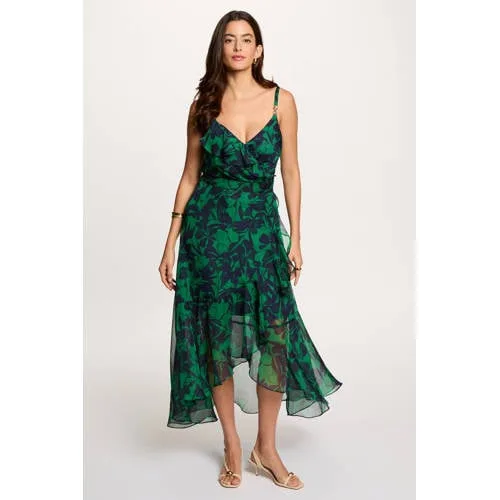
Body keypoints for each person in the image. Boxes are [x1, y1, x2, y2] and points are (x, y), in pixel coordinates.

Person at [159, 10, 343, 489]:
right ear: (220, 49)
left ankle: (266, 446)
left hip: (261, 235)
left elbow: (291, 172)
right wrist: (170, 241)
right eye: (229, 39)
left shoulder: (282, 101)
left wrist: (296, 236)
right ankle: (232, 445)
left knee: (274, 336)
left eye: (246, 39)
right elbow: (190, 176)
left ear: (259, 50)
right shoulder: (204, 104)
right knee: (217, 337)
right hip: (209, 236)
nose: (238, 47)